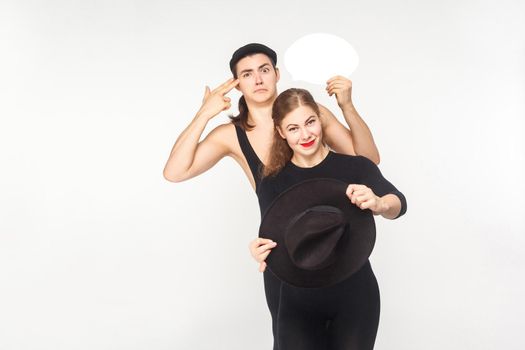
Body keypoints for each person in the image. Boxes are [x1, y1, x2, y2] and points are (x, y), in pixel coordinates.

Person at [250, 88, 407, 349]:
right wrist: (259, 250)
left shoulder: (355, 167)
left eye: (310, 122)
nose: (305, 134)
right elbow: (273, 237)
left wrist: (380, 203)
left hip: (355, 298)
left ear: (320, 120)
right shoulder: (272, 181)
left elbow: (398, 203)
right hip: (297, 302)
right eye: (294, 128)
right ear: (280, 132)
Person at [163, 43, 380, 190]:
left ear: (276, 74)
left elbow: (369, 161)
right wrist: (203, 115)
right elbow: (175, 173)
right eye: (247, 74)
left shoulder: (311, 113)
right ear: (237, 83)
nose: (258, 80)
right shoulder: (229, 136)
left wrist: (347, 107)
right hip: (281, 244)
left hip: (334, 234)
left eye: (264, 70)